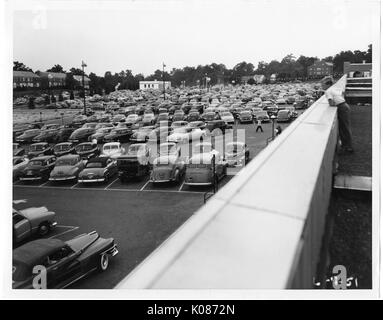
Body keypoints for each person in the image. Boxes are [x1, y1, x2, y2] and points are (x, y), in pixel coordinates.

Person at [321, 76, 353, 153]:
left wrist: (334, 105)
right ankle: (346, 145)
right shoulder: (333, 89)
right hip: (344, 106)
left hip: (342, 108)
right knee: (344, 127)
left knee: (344, 128)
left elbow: (331, 103)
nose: (322, 86)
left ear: (327, 84)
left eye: (322, 85)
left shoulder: (328, 91)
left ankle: (348, 147)